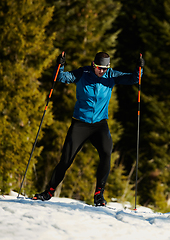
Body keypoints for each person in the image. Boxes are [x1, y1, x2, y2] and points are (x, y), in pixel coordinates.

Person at [33, 51, 144, 206]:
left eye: (105, 69)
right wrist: (60, 65)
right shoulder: (83, 73)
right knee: (66, 159)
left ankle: (99, 194)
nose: (102, 71)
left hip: (99, 124)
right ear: (94, 65)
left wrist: (139, 68)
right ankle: (49, 192)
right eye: (99, 68)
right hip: (80, 123)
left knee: (106, 153)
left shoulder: (111, 75)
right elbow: (61, 77)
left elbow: (133, 79)